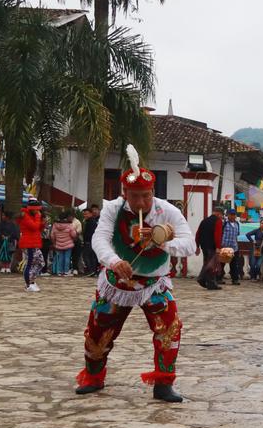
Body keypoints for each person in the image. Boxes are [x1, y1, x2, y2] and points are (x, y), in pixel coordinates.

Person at [75, 145, 196, 403]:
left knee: (170, 329)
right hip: (116, 283)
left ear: (153, 192)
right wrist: (114, 261)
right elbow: (100, 239)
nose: (141, 202)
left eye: (146, 196)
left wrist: (162, 242)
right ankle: (93, 377)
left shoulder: (168, 212)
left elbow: (189, 245)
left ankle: (163, 383)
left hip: (155, 283)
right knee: (98, 330)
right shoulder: (112, 209)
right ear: (124, 193)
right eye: (135, 196)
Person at [18, 200, 45, 291]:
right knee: (30, 263)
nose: (38, 212)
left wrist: (43, 223)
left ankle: (32, 281)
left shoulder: (33, 216)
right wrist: (38, 217)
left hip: (34, 243)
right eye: (36, 210)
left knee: (41, 262)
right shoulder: (25, 215)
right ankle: (28, 284)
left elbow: (38, 229)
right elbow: (34, 227)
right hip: (28, 243)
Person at [195, 206, 225, 290]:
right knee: (211, 265)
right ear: (219, 214)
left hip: (204, 246)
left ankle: (208, 282)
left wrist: (197, 246)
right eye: (222, 215)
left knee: (207, 263)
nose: (222, 217)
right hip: (212, 247)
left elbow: (198, 234)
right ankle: (205, 280)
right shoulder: (218, 221)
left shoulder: (204, 221)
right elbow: (217, 235)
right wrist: (218, 247)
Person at [50, 211, 78, 276]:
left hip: (59, 244)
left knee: (60, 258)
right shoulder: (69, 225)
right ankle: (66, 271)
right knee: (67, 258)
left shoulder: (55, 225)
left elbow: (52, 235)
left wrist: (54, 242)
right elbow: (73, 235)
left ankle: (60, 271)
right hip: (68, 244)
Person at [221, 208, 242, 285]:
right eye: (231, 215)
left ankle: (235, 279)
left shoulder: (237, 224)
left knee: (234, 264)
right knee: (221, 264)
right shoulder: (224, 223)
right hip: (224, 247)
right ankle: (219, 278)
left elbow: (237, 235)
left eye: (234, 215)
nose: (233, 216)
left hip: (234, 248)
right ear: (228, 215)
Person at [82, 205, 100, 276]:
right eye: (84, 214)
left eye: (86, 214)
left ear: (90, 214)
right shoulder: (88, 221)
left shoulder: (91, 222)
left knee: (87, 256)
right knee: (91, 256)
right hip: (90, 242)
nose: (85, 215)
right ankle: (93, 271)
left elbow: (91, 233)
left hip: (90, 242)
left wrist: (87, 240)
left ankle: (91, 270)